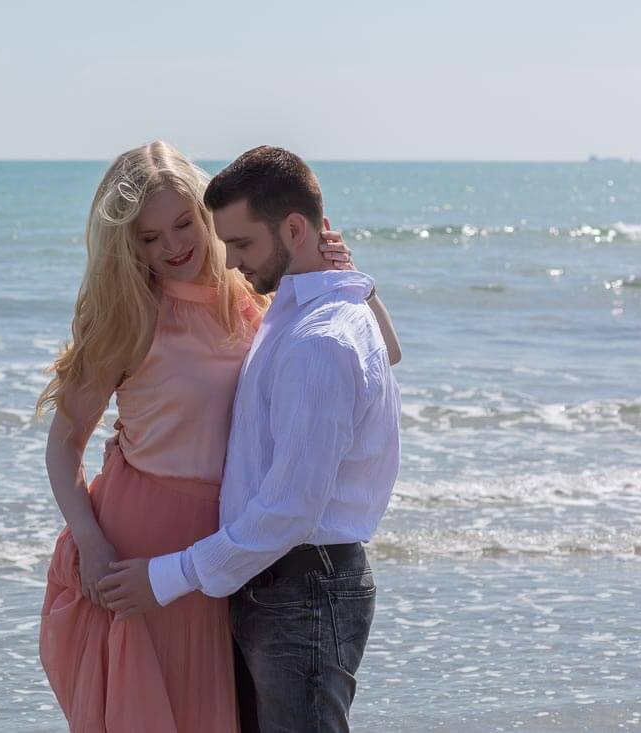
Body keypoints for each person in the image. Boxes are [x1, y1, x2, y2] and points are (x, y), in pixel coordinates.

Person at [38, 141, 400, 732]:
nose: (173, 246)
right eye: (150, 238)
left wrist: (349, 276)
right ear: (128, 243)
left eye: (183, 224)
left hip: (232, 547)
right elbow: (64, 444)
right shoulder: (129, 315)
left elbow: (379, 356)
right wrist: (91, 541)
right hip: (144, 546)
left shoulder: (257, 293)